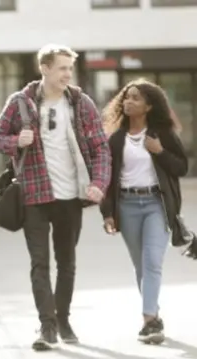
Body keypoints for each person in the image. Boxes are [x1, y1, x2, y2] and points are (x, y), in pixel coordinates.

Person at [0, 44, 111, 350]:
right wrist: (17, 140)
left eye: (70, 68)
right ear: (44, 68)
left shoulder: (80, 103)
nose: (67, 74)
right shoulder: (21, 103)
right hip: (34, 195)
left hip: (71, 196)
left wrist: (99, 183)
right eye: (61, 68)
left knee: (67, 262)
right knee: (39, 264)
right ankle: (47, 326)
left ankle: (64, 318)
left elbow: (100, 148)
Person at [100, 79, 188, 344]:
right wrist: (107, 213)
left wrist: (160, 152)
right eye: (126, 97)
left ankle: (149, 319)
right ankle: (155, 316)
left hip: (156, 205)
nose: (128, 101)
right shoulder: (115, 139)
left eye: (136, 98)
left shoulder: (162, 133)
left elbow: (181, 167)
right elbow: (107, 178)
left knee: (152, 262)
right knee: (141, 266)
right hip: (126, 206)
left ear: (149, 106)